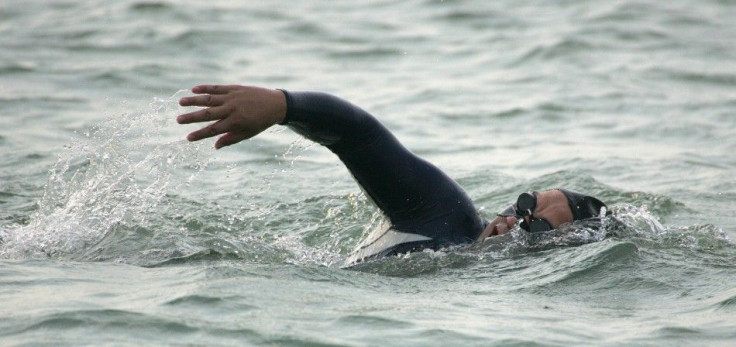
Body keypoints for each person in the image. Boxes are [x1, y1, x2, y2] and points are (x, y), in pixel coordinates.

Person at [177, 85, 609, 262]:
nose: (516, 220)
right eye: (525, 204)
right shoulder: (443, 212)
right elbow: (359, 135)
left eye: (536, 227)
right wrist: (282, 105)